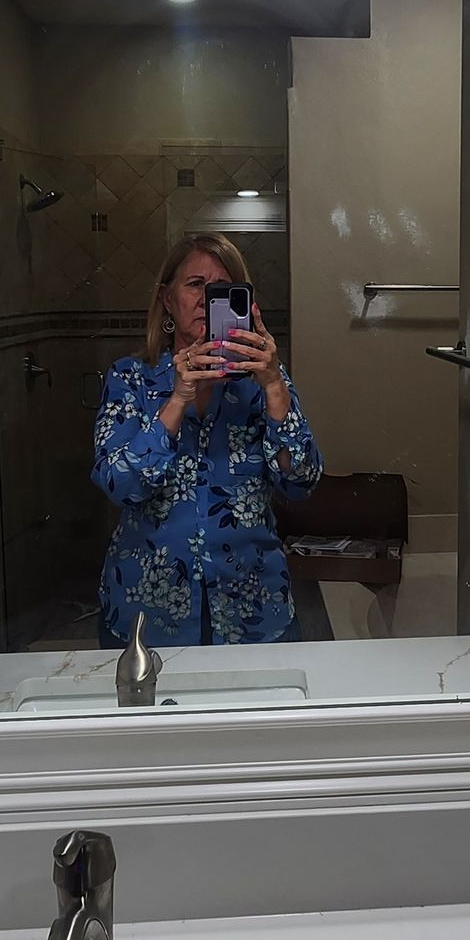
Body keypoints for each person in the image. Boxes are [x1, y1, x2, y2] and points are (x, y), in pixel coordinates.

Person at [92, 233, 321, 646]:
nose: (206, 299)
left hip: (253, 606)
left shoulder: (263, 383)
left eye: (222, 289)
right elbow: (119, 484)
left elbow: (300, 482)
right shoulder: (131, 379)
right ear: (167, 299)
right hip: (148, 609)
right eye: (195, 284)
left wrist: (273, 385)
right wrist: (177, 400)